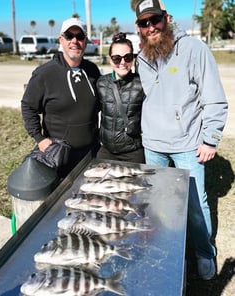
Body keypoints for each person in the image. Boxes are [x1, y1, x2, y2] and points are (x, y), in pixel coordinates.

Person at [135, 0, 228, 280]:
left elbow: (214, 97)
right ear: (138, 28)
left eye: (155, 20)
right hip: (153, 145)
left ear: (167, 18)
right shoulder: (142, 57)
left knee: (195, 203)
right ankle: (167, 248)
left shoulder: (193, 49)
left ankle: (203, 252)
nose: (151, 27)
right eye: (144, 23)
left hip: (187, 144)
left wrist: (210, 139)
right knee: (160, 202)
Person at [21, 18, 101, 178]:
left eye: (80, 37)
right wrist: (40, 139)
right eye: (69, 36)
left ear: (85, 41)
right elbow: (28, 107)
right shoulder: (45, 74)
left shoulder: (92, 70)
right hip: (58, 156)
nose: (74, 41)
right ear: (61, 40)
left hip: (90, 154)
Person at [96, 32, 145, 163]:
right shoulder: (101, 83)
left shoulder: (142, 84)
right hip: (106, 151)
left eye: (127, 57)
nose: (123, 62)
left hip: (133, 152)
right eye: (117, 58)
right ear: (110, 60)